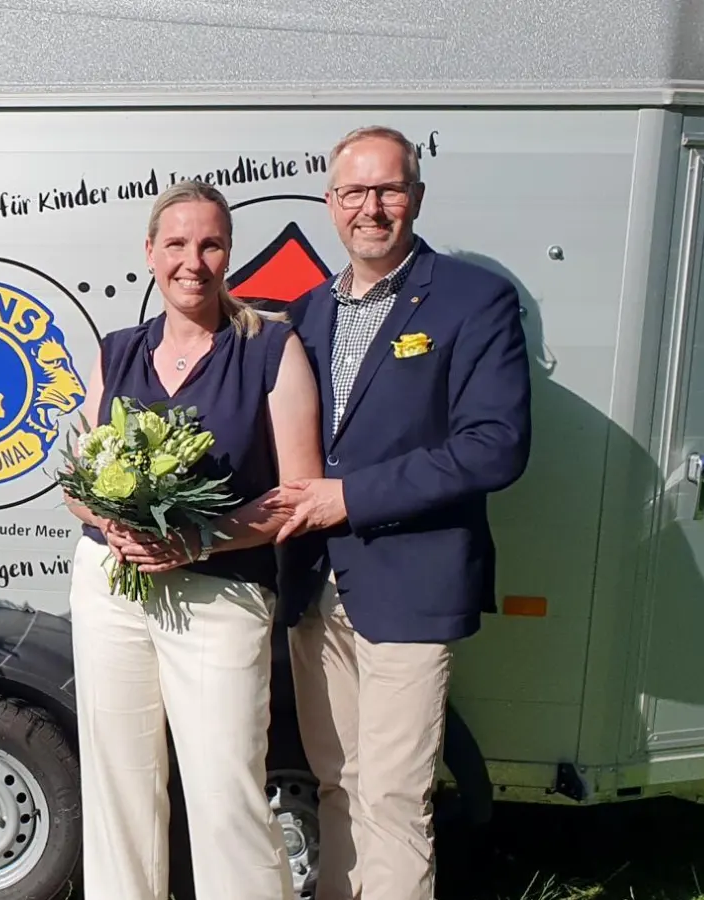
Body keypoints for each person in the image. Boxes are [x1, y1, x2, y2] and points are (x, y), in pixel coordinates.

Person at [275, 125, 533, 900]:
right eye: (355, 192)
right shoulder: (306, 311)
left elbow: (496, 446)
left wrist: (347, 497)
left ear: (416, 197)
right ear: (330, 203)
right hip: (316, 588)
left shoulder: (472, 299)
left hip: (411, 586)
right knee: (335, 783)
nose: (372, 208)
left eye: (388, 189)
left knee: (391, 796)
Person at [63, 180, 325, 900]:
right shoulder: (117, 351)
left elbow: (297, 496)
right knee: (119, 783)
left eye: (210, 244)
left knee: (225, 792)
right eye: (176, 244)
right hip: (112, 591)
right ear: (150, 253)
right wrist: (113, 522)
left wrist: (197, 543)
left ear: (228, 254)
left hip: (220, 599)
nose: (193, 260)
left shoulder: (271, 347)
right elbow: (77, 479)